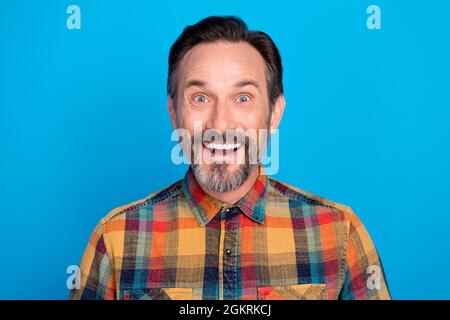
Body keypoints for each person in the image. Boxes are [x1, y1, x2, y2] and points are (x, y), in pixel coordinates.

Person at [70, 16, 390, 300]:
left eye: (242, 98)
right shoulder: (116, 238)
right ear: (174, 114)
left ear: (274, 114)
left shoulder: (339, 232)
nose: (220, 124)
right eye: (200, 97)